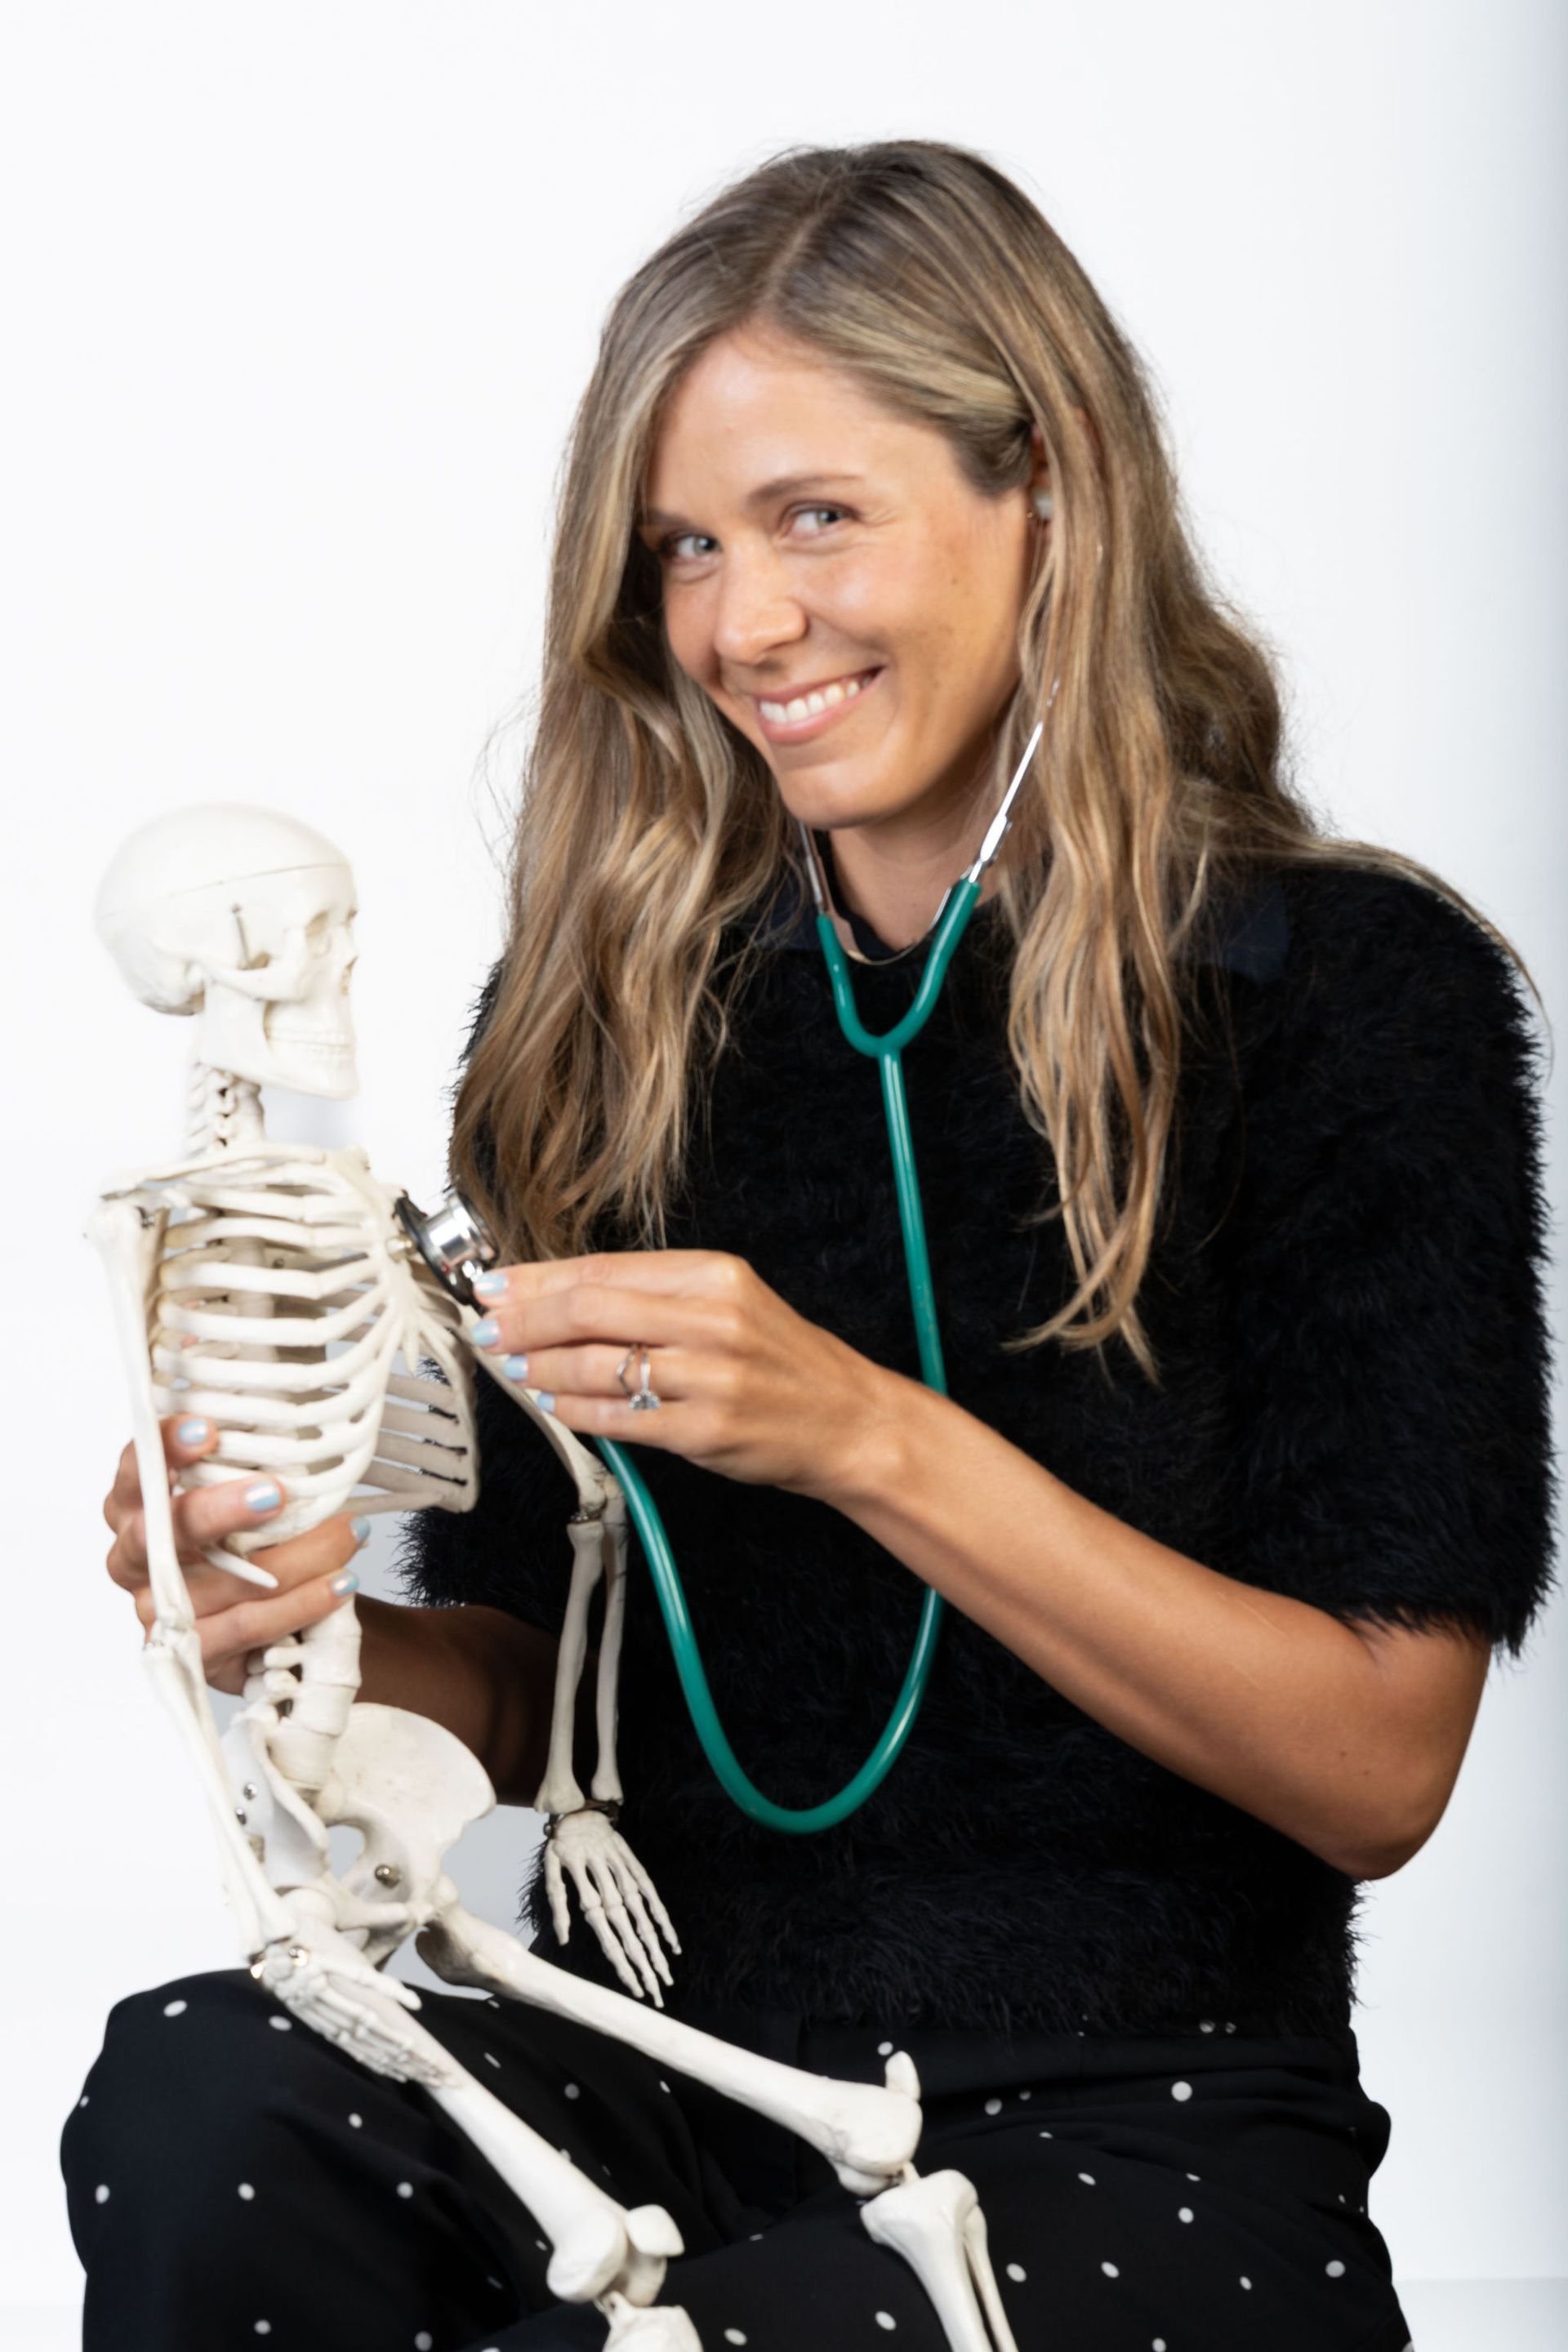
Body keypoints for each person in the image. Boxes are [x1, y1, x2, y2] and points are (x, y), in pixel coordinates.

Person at [68, 139, 1556, 2352]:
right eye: (684, 545)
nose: (741, 622)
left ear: (1041, 487)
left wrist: (872, 1438)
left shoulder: (1344, 992)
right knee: (199, 2094)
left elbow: (1376, 1771)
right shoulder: (607, 1025)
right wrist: (289, 1640)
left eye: (815, 517)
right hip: (671, 2060)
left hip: (1135, 2115)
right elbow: (526, 1683)